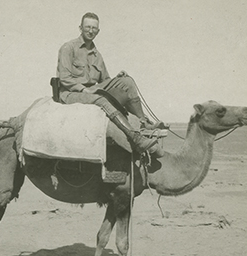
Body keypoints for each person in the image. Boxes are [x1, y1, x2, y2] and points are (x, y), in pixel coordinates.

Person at [57, 12, 166, 157]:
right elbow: (64, 78)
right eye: (87, 27)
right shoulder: (68, 48)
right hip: (70, 94)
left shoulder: (97, 55)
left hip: (92, 91)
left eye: (94, 28)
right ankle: (135, 137)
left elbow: (105, 82)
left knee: (127, 81)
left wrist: (117, 79)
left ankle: (143, 122)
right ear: (80, 28)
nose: (91, 31)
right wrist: (84, 89)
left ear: (98, 31)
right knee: (101, 100)